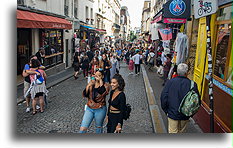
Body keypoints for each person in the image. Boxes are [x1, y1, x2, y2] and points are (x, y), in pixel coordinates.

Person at [160, 63, 200, 133]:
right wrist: (191, 113)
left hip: (172, 113)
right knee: (182, 131)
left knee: (173, 131)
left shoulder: (170, 82)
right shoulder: (192, 84)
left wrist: (166, 110)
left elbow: (163, 97)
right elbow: (197, 101)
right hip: (185, 114)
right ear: (186, 73)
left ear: (177, 72)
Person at [79, 69, 110, 133]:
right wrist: (88, 85)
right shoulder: (92, 84)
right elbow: (85, 94)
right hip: (89, 108)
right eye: (96, 75)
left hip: (100, 108)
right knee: (83, 128)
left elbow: (102, 92)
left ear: (102, 76)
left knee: (98, 128)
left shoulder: (106, 86)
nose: (97, 77)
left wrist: (100, 81)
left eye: (99, 75)